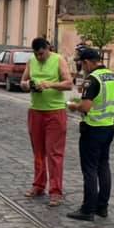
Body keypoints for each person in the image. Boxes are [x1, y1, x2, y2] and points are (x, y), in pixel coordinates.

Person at [66, 47, 114, 221]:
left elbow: (86, 107)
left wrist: (74, 106)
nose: (82, 67)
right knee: (104, 166)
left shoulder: (92, 79)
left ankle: (88, 209)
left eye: (82, 63)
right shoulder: (112, 76)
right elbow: (112, 99)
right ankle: (102, 207)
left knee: (89, 170)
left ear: (88, 62)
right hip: (108, 127)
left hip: (93, 129)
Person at [20, 36, 73, 206]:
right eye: (36, 54)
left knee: (54, 154)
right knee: (38, 152)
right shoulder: (31, 61)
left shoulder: (59, 60)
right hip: (36, 112)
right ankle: (38, 185)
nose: (39, 57)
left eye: (41, 54)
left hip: (55, 112)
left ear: (48, 48)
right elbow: (22, 82)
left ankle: (56, 191)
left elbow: (68, 83)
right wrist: (27, 85)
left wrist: (49, 85)